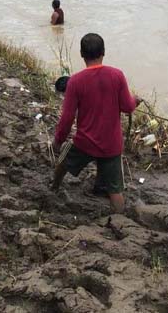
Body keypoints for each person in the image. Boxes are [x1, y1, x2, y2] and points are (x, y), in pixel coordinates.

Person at [52, 33, 140, 213]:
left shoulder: (75, 81)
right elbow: (127, 107)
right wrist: (136, 100)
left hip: (85, 142)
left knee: (63, 163)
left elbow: (67, 119)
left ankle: (54, 188)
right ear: (104, 52)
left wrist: (57, 141)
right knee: (115, 190)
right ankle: (119, 218)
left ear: (82, 54)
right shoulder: (117, 75)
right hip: (111, 145)